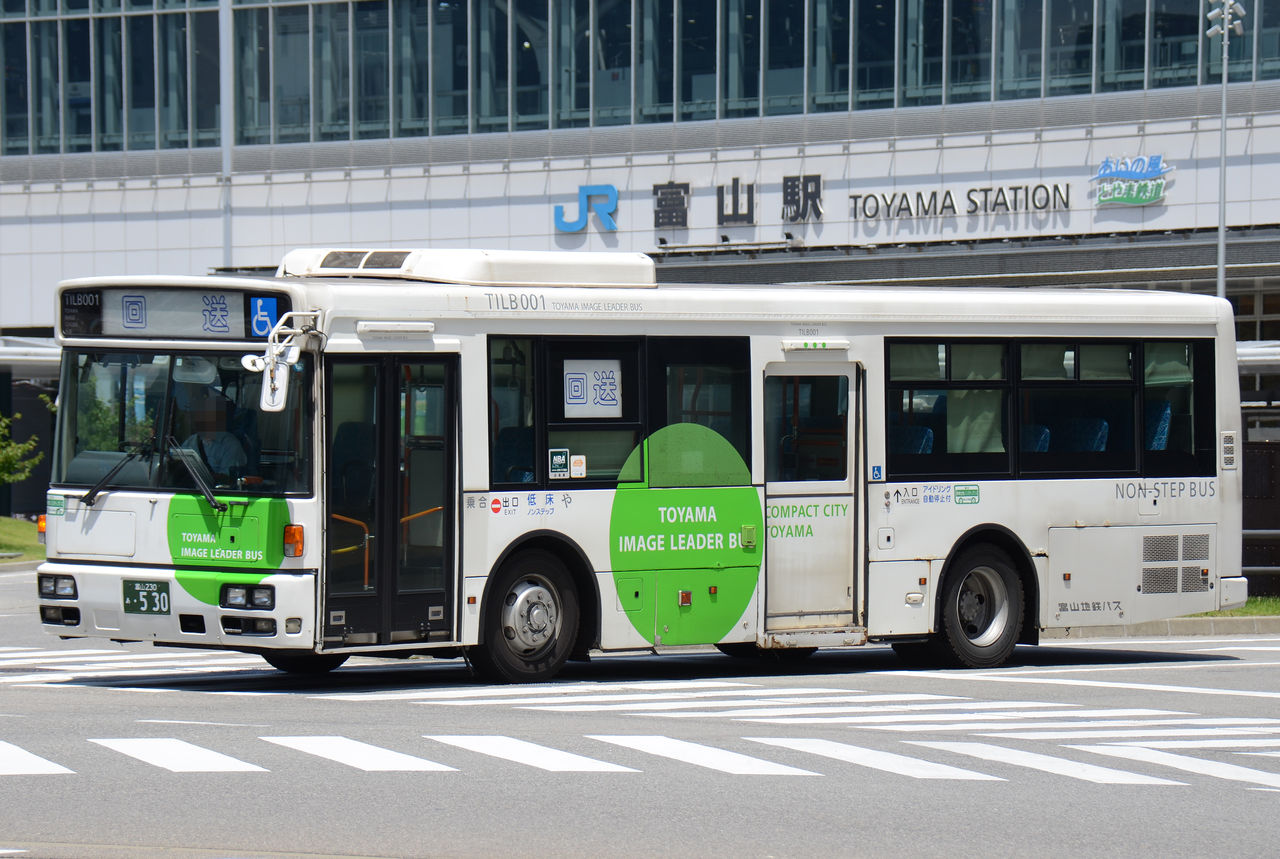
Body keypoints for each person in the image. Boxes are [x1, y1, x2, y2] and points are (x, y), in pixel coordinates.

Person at [180, 385, 247, 479]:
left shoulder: (230, 445)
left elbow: (227, 480)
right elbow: (178, 465)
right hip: (187, 490)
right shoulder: (191, 440)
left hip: (213, 492)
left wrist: (204, 477)